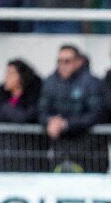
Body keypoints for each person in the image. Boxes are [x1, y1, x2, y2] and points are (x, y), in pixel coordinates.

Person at [37, 44, 107, 172]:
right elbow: (42, 110)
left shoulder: (91, 83)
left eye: (67, 61)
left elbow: (96, 113)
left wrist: (67, 124)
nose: (63, 65)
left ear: (78, 62)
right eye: (59, 61)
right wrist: (50, 121)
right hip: (60, 150)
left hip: (87, 150)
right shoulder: (50, 83)